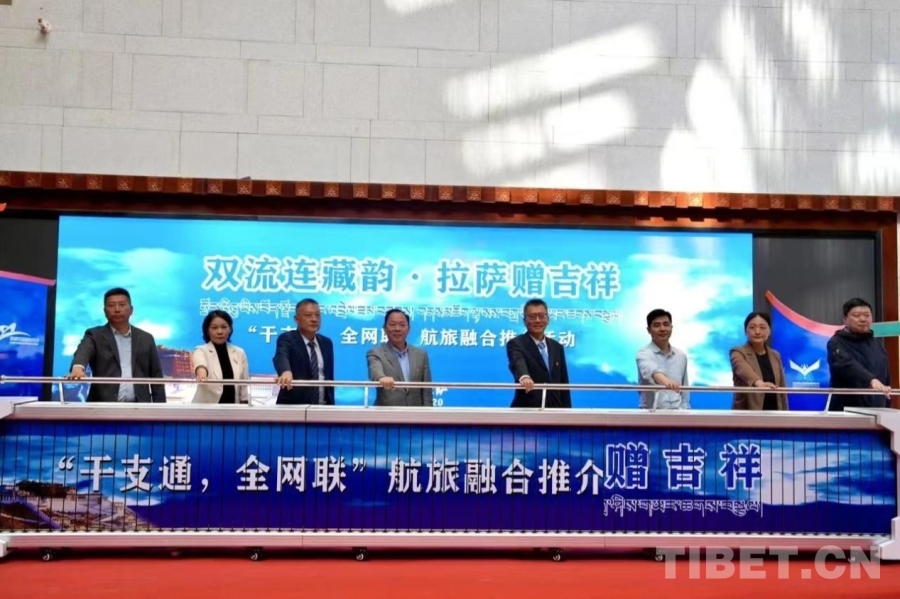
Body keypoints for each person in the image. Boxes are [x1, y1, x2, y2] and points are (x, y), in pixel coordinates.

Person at [66, 287, 166, 403]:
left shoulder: (146, 338)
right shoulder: (94, 335)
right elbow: (83, 351)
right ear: (105, 311)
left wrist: (160, 408)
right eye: (111, 305)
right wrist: (78, 368)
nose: (117, 309)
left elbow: (156, 377)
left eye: (122, 304)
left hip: (139, 407)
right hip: (103, 407)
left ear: (131, 310)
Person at [827, 298, 891, 411]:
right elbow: (846, 364)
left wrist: (888, 405)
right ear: (845, 319)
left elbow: (885, 376)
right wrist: (871, 380)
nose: (863, 319)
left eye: (867, 315)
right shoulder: (836, 342)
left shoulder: (877, 344)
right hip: (846, 410)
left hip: (878, 410)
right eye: (856, 315)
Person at [506, 299, 571, 408]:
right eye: (532, 317)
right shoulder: (516, 344)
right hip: (527, 409)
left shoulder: (557, 347)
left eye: (541, 316)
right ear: (524, 320)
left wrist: (568, 412)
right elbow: (517, 361)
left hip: (555, 410)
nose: (537, 320)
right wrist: (524, 377)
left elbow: (564, 383)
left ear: (548, 319)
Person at [273, 298, 335, 405]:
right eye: (308, 315)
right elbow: (281, 355)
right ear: (296, 319)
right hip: (294, 407)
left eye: (317, 315)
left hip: (323, 407)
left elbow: (329, 378)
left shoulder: (326, 343)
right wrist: (285, 371)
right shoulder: (287, 339)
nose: (314, 319)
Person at [367, 309, 433, 406]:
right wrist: (381, 378)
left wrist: (428, 413)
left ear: (408, 329)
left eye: (402, 325)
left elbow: (427, 392)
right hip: (386, 413)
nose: (397, 329)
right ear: (384, 329)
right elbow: (375, 370)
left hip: (415, 413)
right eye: (392, 325)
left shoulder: (421, 355)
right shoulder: (376, 353)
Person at [730, 311, 788, 410]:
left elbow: (782, 389)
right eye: (752, 327)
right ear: (745, 331)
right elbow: (742, 369)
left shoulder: (775, 355)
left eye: (762, 327)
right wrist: (758, 382)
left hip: (774, 413)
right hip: (748, 414)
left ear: (769, 331)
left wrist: (785, 414)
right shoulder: (738, 352)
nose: (757, 331)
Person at [191, 310, 250, 404]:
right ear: (207, 330)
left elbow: (244, 384)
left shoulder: (239, 352)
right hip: (206, 409)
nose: (219, 331)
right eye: (214, 328)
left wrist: (244, 406)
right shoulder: (201, 350)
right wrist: (202, 374)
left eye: (224, 327)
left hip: (233, 408)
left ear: (230, 329)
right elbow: (200, 365)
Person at [636, 309, 689, 410]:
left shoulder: (681, 355)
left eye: (666, 324)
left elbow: (685, 390)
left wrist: (685, 411)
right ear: (649, 330)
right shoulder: (643, 354)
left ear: (671, 327)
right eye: (657, 325)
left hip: (678, 413)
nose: (662, 329)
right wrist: (667, 382)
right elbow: (653, 371)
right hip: (651, 414)